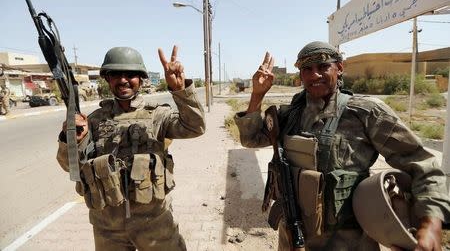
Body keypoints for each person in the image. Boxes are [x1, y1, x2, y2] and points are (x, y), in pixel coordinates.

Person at [234, 41, 450, 250]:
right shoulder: (289, 114)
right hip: (293, 235)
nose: (315, 74)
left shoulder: (366, 112)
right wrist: (257, 95)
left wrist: (430, 224)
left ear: (339, 68)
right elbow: (251, 138)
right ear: (301, 75)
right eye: (307, 69)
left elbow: (423, 164)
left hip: (351, 242)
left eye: (323, 66)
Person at [57, 46, 205, 251]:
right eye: (116, 74)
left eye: (131, 74)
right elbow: (69, 166)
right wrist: (70, 138)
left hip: (154, 223)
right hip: (107, 227)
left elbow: (195, 127)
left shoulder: (158, 116)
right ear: (107, 79)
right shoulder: (93, 121)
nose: (123, 80)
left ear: (141, 79)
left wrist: (180, 91)